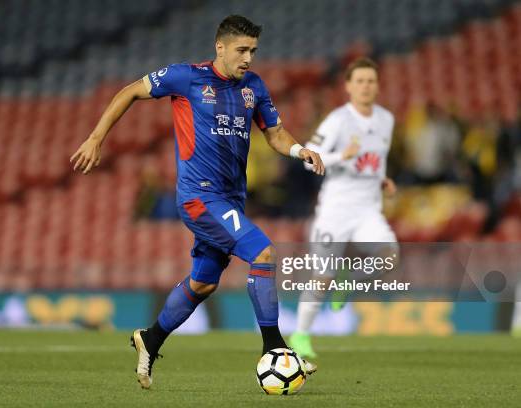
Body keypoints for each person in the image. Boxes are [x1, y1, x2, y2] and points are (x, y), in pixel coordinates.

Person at [70, 15, 325, 389]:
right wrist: (96, 138)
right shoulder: (185, 77)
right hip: (199, 196)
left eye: (253, 50)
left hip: (231, 201)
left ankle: (150, 338)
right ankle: (276, 350)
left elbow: (275, 133)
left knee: (204, 284)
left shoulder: (253, 87)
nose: (248, 58)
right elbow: (128, 92)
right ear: (219, 47)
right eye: (241, 50)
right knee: (263, 253)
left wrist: (300, 150)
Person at [288, 58, 399, 358]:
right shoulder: (337, 120)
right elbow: (310, 160)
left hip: (368, 211)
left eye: (370, 81)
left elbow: (374, 161)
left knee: (389, 257)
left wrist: (382, 180)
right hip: (335, 211)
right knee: (321, 276)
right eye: (359, 81)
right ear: (348, 86)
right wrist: (341, 156)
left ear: (377, 86)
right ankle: (300, 335)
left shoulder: (386, 120)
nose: (365, 86)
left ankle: (348, 280)